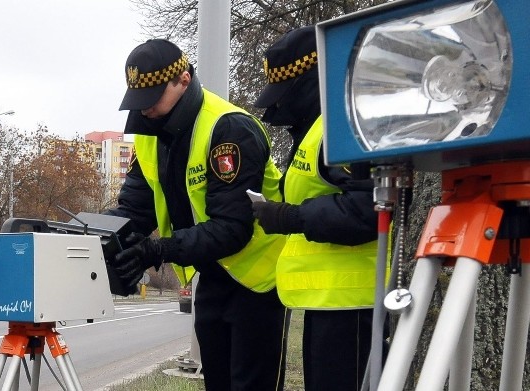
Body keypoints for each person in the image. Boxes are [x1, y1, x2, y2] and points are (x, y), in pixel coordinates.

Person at [106, 38, 290, 391]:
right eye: (138, 102)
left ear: (184, 80)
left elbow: (233, 229)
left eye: (153, 98)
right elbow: (134, 210)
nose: (145, 111)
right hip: (213, 277)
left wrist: (157, 250)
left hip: (259, 282)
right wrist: (101, 240)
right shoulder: (150, 133)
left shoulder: (231, 129)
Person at [252, 26, 380, 391]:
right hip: (330, 305)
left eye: (284, 94)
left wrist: (291, 217)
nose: (277, 108)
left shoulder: (347, 125)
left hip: (355, 306)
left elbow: (368, 209)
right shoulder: (317, 129)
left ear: (311, 80)